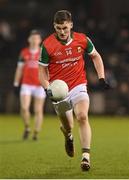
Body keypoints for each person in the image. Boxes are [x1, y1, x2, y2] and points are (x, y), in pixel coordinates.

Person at [38, 10, 110, 171]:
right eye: (58, 28)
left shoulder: (82, 39)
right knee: (69, 126)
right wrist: (47, 88)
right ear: (54, 26)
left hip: (78, 85)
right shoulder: (47, 45)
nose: (62, 32)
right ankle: (68, 136)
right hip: (58, 91)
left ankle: (86, 157)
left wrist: (101, 77)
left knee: (82, 116)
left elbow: (96, 56)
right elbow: (41, 71)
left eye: (65, 27)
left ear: (71, 25)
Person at [13, 30, 46, 140]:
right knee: (24, 107)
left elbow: (47, 69)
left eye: (37, 38)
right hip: (26, 84)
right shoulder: (24, 52)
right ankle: (27, 127)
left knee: (38, 110)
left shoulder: (43, 52)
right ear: (29, 39)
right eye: (33, 38)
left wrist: (48, 83)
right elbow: (19, 69)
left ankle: (36, 132)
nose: (34, 40)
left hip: (39, 85)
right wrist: (16, 83)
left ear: (40, 40)